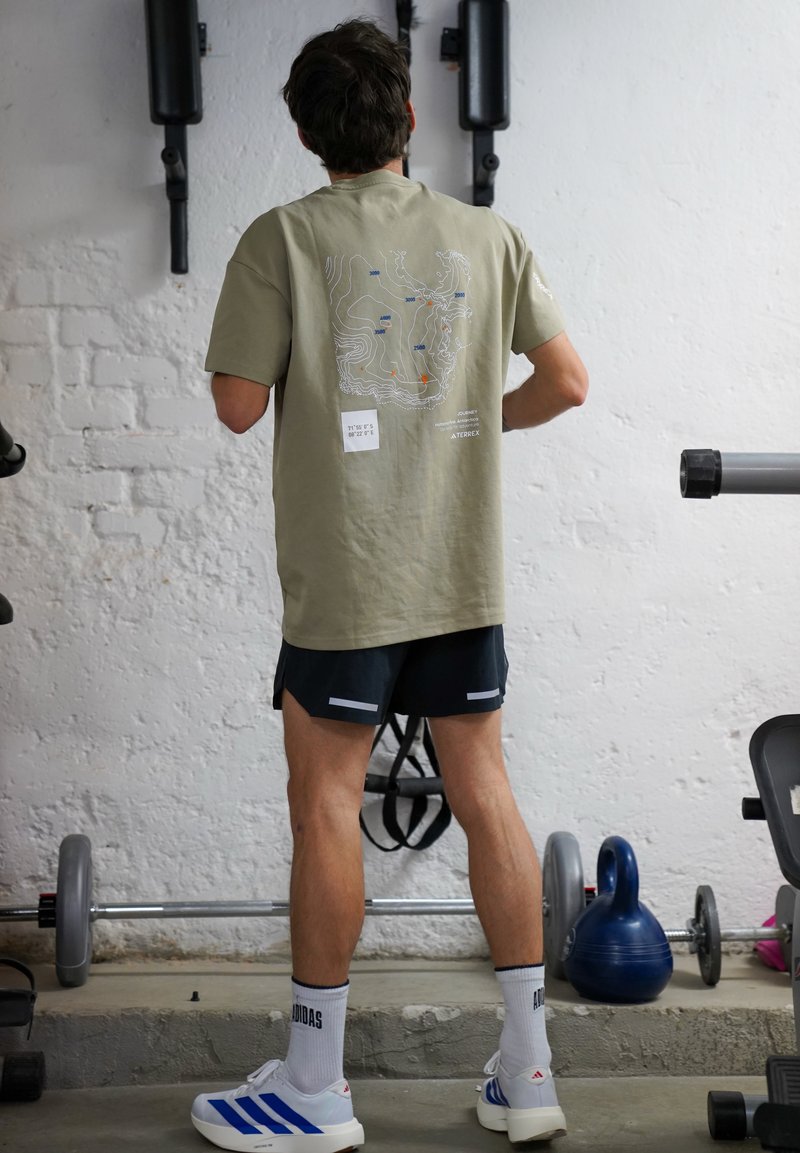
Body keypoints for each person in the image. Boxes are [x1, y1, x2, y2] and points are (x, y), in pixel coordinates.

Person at [191, 17, 588, 1152]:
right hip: (460, 577)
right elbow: (564, 381)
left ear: (309, 136)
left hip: (349, 586)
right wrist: (465, 433)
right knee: (485, 794)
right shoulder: (486, 235)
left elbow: (233, 404)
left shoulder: (280, 237)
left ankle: (314, 1085)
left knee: (322, 805)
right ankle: (527, 1072)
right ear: (409, 120)